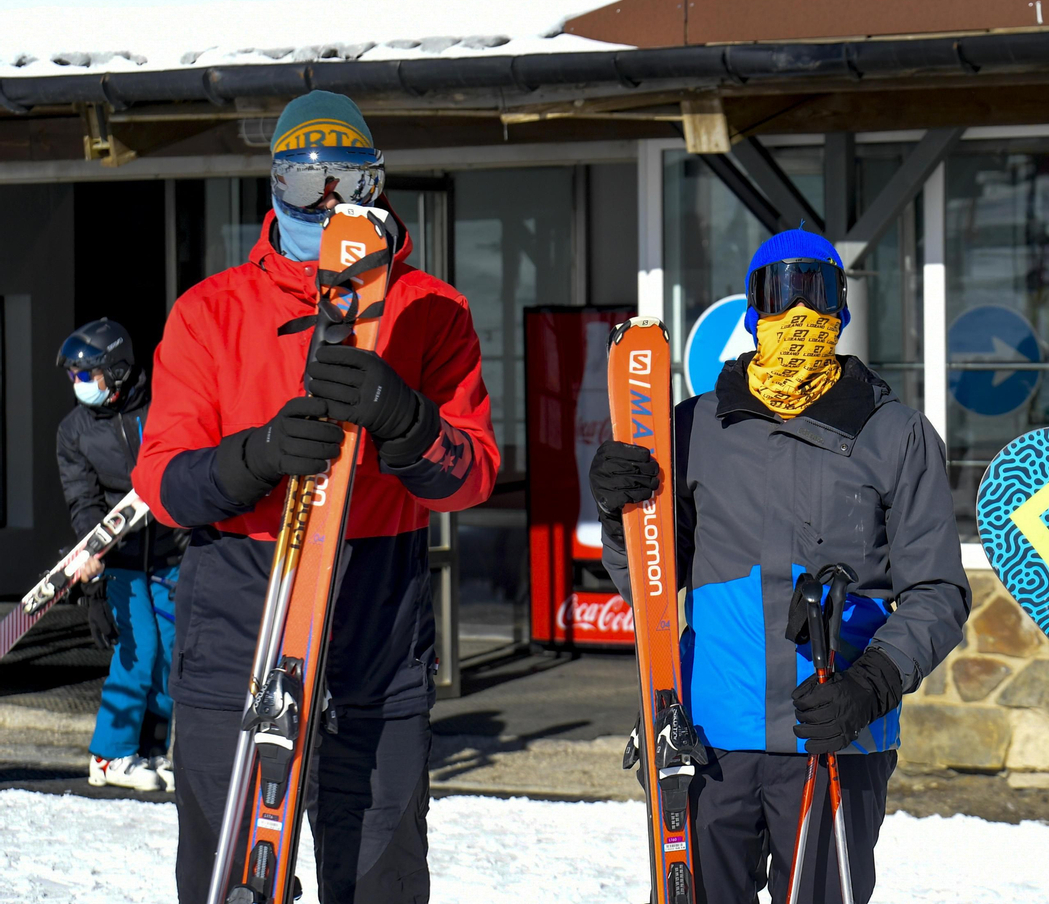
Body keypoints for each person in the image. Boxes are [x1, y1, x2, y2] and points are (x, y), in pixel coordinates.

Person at [131, 90, 499, 904]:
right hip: (242, 609)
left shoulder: (433, 310)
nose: (328, 199)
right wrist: (255, 456)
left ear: (379, 187)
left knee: (380, 876)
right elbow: (161, 483)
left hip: (376, 613)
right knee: (231, 875)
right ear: (273, 187)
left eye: (349, 180)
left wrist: (405, 421)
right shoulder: (210, 312)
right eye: (304, 180)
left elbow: (470, 471)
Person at [589, 229, 970, 904]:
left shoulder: (895, 433)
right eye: (777, 292)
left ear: (842, 311)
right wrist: (618, 511)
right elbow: (651, 578)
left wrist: (871, 685)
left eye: (816, 292)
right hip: (709, 737)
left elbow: (937, 590)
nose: (797, 314)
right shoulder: (694, 427)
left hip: (835, 729)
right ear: (750, 311)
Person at [56, 317, 187, 793]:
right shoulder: (74, 432)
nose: (78, 385)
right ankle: (109, 755)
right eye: (73, 377)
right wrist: (91, 568)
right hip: (124, 559)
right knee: (138, 651)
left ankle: (152, 750)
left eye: (86, 375)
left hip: (173, 553)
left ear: (116, 371)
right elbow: (84, 501)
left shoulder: (162, 409)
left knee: (172, 655)